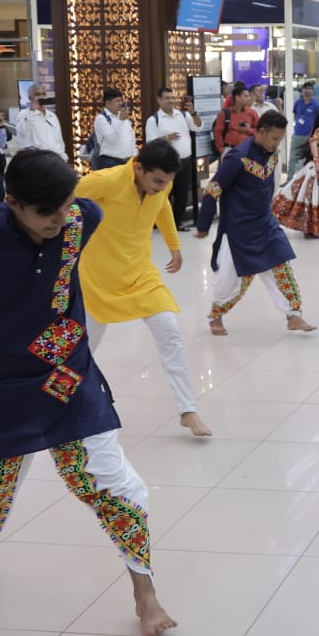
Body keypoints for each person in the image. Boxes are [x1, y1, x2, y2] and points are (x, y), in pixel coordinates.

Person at [0, 149, 176, 636]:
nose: (61, 221)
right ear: (13, 202)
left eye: (66, 207)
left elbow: (85, 216)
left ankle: (144, 592)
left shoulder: (83, 215)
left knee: (111, 483)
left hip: (67, 373)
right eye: (47, 213)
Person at [77, 140, 210, 438]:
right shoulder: (106, 181)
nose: (163, 187)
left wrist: (175, 247)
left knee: (170, 332)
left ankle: (188, 410)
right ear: (138, 168)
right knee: (79, 350)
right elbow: (62, 199)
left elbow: (161, 208)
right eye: (158, 181)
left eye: (168, 182)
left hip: (140, 274)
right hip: (96, 279)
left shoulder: (159, 186)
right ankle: (57, 405)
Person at [194, 110, 316, 336]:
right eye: (275, 138)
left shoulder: (272, 153)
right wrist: (203, 226)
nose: (278, 143)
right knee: (229, 280)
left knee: (282, 264)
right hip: (238, 228)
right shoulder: (237, 157)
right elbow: (212, 191)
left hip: (265, 222)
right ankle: (215, 316)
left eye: (280, 138)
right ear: (261, 132)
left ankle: (294, 315)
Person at [146, 86, 201, 230]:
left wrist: (193, 113)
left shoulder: (183, 115)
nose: (170, 101)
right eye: (167, 98)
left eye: (172, 98)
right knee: (165, 194)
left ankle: (177, 222)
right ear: (159, 100)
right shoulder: (154, 120)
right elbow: (150, 142)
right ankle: (163, 223)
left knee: (182, 193)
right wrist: (166, 138)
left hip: (185, 160)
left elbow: (198, 127)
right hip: (165, 163)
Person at [12, 84, 65, 157]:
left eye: (43, 94)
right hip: (35, 159)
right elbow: (24, 133)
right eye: (37, 94)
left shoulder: (52, 116)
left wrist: (62, 156)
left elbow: (59, 139)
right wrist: (32, 111)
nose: (41, 97)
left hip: (54, 158)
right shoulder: (23, 115)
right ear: (30, 98)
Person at [213, 82, 259, 156]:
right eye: (246, 96)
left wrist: (248, 130)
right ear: (237, 97)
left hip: (248, 150)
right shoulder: (225, 113)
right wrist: (221, 149)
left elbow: (259, 131)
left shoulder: (252, 113)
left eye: (249, 96)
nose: (249, 98)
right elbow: (217, 132)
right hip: (230, 150)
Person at [290, 81, 319, 171]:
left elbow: (318, 120)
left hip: (310, 136)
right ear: (302, 91)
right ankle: (289, 180)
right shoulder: (297, 103)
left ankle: (306, 179)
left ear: (312, 91)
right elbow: (295, 115)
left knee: (309, 159)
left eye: (310, 89)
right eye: (306, 88)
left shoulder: (316, 105)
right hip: (297, 135)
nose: (308, 90)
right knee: (293, 158)